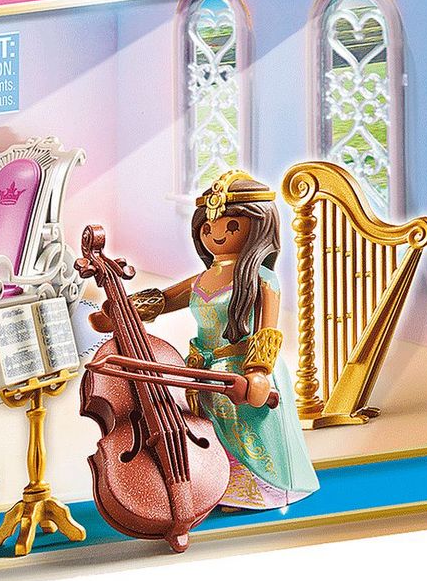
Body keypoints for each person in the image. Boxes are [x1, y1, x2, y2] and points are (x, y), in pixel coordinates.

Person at [93, 171, 319, 510]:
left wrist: (258, 372)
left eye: (232, 227)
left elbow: (266, 331)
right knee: (208, 431)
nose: (217, 234)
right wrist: (120, 311)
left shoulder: (261, 279)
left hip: (242, 372)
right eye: (208, 228)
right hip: (202, 373)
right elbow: (162, 300)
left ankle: (259, 492)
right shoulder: (202, 279)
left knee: (247, 432)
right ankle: (214, 486)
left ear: (259, 228)